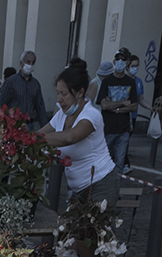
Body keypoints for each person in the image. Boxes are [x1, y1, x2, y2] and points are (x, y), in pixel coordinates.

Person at [40, 60, 119, 209]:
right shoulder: (61, 115)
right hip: (78, 190)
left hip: (100, 184)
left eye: (64, 94)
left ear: (80, 93)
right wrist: (18, 137)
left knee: (96, 230)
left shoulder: (91, 115)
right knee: (74, 231)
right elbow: (40, 132)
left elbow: (71, 136)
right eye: (57, 93)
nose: (59, 100)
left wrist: (34, 140)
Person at [96, 48, 137, 175]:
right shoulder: (107, 81)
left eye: (123, 59)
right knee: (105, 159)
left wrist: (115, 107)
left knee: (119, 161)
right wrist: (122, 103)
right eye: (118, 59)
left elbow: (133, 106)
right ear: (114, 61)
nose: (120, 62)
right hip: (108, 127)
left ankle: (116, 190)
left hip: (123, 128)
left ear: (127, 63)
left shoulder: (131, 82)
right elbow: (104, 105)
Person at [0, 50, 45, 127]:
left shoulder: (36, 84)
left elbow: (40, 108)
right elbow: (1, 104)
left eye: (33, 62)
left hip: (29, 124)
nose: (30, 65)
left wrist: (45, 128)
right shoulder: (11, 82)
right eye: (28, 62)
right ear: (21, 63)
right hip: (13, 125)